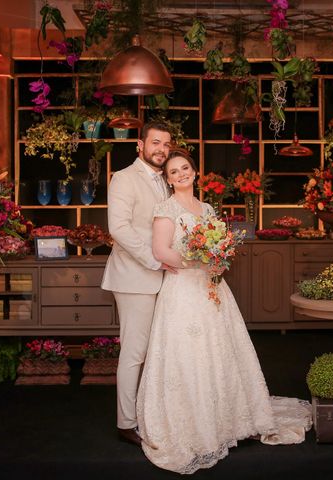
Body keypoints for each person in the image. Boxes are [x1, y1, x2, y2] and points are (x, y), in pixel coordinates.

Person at [136, 151, 312, 475]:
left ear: (194, 171)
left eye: (184, 168)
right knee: (189, 355)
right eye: (173, 172)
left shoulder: (206, 209)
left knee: (220, 352)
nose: (180, 175)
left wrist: (216, 260)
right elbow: (161, 251)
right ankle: (194, 424)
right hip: (182, 293)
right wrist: (196, 261)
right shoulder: (165, 210)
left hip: (212, 288)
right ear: (168, 179)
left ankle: (225, 419)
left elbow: (215, 246)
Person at [101, 121, 176, 447]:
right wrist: (154, 259)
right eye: (155, 142)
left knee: (156, 350)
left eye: (166, 144)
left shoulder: (166, 181)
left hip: (163, 277)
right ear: (140, 146)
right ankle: (126, 423)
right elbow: (119, 229)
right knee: (134, 352)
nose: (161, 149)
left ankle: (151, 412)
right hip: (134, 278)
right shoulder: (124, 178)